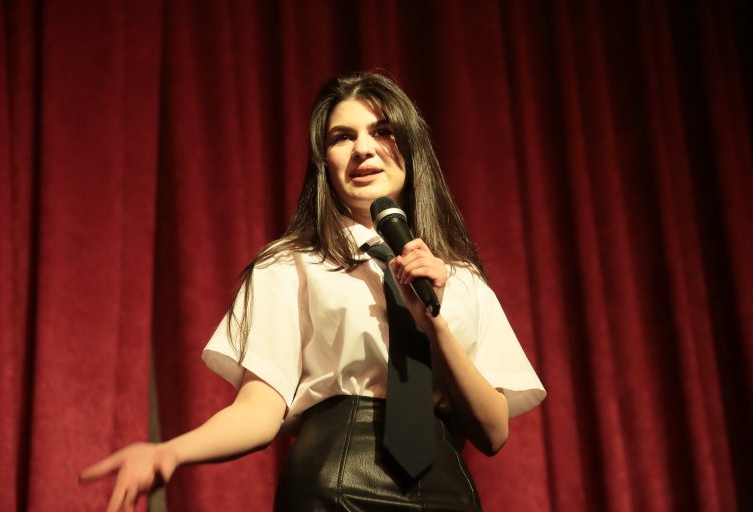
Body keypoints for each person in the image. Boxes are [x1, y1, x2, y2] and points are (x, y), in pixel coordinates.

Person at [79, 71, 546, 511]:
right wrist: (171, 452)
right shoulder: (290, 264)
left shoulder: (460, 279)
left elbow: (493, 432)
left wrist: (434, 322)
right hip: (335, 484)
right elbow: (259, 411)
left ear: (410, 146)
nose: (363, 149)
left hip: (446, 491)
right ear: (325, 162)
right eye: (342, 137)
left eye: (382, 131)